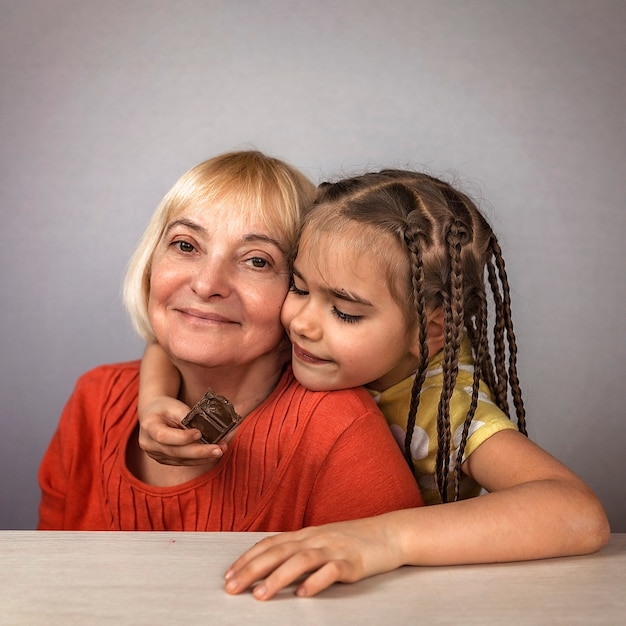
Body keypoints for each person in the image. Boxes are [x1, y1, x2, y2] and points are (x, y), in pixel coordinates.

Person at [137, 168, 609, 598]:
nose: (302, 322)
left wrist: (385, 535)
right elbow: (173, 341)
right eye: (299, 287)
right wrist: (154, 400)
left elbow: (578, 513)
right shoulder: (315, 344)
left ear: (433, 329)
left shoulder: (447, 406)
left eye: (345, 311)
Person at [36, 151, 423, 531]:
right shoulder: (94, 399)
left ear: (300, 288)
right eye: (186, 245)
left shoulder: (339, 432)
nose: (206, 285)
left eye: (257, 260)